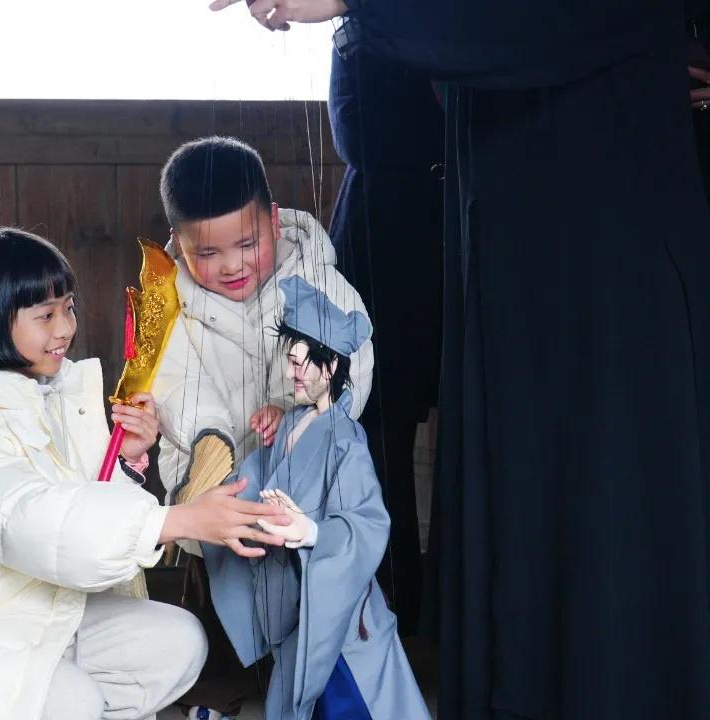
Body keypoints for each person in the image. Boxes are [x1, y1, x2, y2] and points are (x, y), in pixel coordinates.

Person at [214, 0, 710, 718]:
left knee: (609, 491)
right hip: (507, 213)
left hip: (608, 227)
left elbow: (534, 23)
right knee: (507, 480)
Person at [0, 227, 294, 720]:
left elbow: (76, 505)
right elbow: (29, 520)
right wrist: (174, 521)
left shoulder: (39, 387)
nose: (65, 328)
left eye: (69, 307)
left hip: (28, 599)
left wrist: (122, 458)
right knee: (74, 701)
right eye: (46, 315)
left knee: (176, 642)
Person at [151, 136, 374, 720]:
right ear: (178, 242)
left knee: (314, 590)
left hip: (303, 469)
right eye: (206, 253)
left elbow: (351, 365)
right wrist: (214, 446)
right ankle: (216, 685)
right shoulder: (168, 304)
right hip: (221, 470)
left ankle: (316, 680)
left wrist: (296, 411)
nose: (231, 266)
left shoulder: (318, 282)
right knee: (217, 572)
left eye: (248, 244)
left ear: (275, 221)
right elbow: (172, 385)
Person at [204, 277, 430, 720]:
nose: (291, 373)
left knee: (346, 704)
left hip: (335, 615)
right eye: (289, 361)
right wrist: (223, 504)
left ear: (330, 368)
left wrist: (309, 531)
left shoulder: (347, 439)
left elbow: (368, 523)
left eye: (299, 363)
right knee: (294, 700)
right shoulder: (291, 422)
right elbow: (257, 477)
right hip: (297, 605)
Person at [326, 15, 443, 635]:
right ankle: (392, 601)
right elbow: (359, 138)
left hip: (473, 232)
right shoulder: (364, 27)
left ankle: (465, 603)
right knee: (378, 427)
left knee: (477, 427)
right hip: (384, 242)